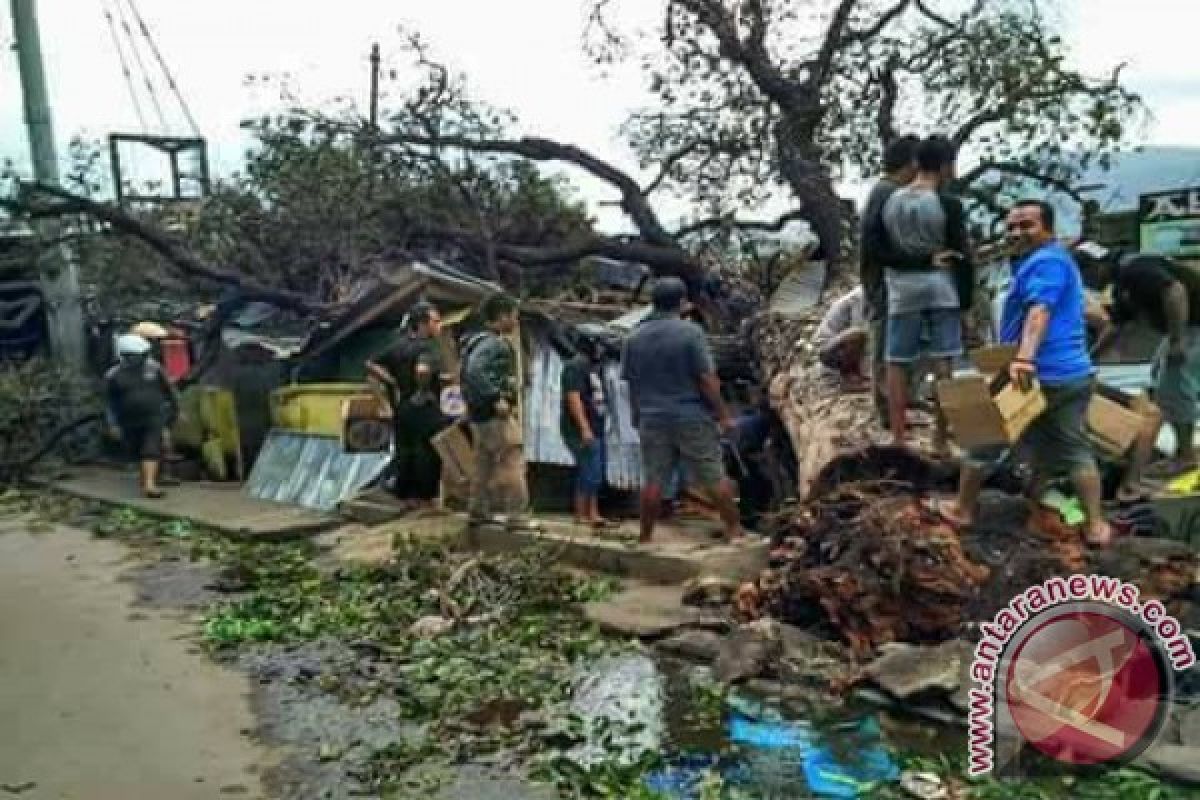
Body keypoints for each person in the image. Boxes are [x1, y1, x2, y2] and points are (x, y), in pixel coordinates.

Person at [941, 200, 1112, 546]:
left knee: (984, 439)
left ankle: (961, 509)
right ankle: (1095, 526)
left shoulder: (1045, 262)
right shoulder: (1058, 261)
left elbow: (1040, 311)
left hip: (1032, 373)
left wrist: (1024, 359)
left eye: (1027, 225)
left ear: (1048, 228)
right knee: (1069, 448)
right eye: (1012, 226)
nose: (1017, 232)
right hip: (1071, 374)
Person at [621, 276, 743, 544]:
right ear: (681, 302)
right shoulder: (691, 333)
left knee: (654, 479)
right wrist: (723, 414)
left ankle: (645, 537)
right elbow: (706, 379)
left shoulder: (633, 337)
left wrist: (635, 414)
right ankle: (735, 532)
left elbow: (631, 383)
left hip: (651, 417)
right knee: (712, 474)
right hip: (690, 414)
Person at [1074, 241, 1200, 492]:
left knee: (1173, 385)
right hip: (1186, 327)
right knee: (1158, 377)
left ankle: (1186, 456)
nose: (1088, 285)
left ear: (1098, 266)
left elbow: (1175, 291)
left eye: (1085, 276)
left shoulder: (1136, 268)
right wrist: (1088, 360)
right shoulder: (1123, 285)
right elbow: (1115, 326)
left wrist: (1176, 340)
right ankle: (1182, 447)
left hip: (1194, 326)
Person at [875, 135, 974, 453]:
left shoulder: (892, 201)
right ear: (946, 165)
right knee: (943, 360)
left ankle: (899, 437)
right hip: (941, 288)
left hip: (902, 291)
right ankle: (940, 437)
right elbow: (962, 256)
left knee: (897, 361)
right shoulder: (948, 204)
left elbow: (882, 253)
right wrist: (967, 302)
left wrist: (915, 260)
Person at [860, 134, 921, 424]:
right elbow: (877, 245)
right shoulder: (887, 193)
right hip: (886, 287)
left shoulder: (889, 193)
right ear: (912, 163)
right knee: (887, 350)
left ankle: (900, 403)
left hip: (894, 287)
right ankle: (888, 413)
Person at [366, 301, 448, 507]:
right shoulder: (426, 347)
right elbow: (422, 370)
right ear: (422, 324)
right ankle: (425, 498)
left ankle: (403, 495)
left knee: (404, 450)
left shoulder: (398, 345)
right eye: (436, 321)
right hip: (423, 406)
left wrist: (391, 381)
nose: (440, 326)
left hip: (402, 406)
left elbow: (370, 364)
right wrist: (423, 390)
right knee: (427, 451)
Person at [461, 293, 532, 527]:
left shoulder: (473, 342)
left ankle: (478, 511)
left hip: (478, 416)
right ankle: (517, 515)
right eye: (514, 316)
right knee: (513, 458)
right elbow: (474, 371)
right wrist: (495, 397)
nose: (516, 321)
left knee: (483, 463)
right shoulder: (493, 344)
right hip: (495, 415)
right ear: (502, 316)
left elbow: (468, 374)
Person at [104, 333, 180, 499]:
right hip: (129, 420)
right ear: (125, 356)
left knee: (150, 448)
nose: (142, 359)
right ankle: (151, 477)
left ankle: (149, 486)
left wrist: (176, 409)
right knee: (139, 450)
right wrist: (112, 424)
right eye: (137, 356)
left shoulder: (155, 368)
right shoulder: (113, 375)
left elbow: (170, 390)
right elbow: (109, 402)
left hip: (154, 416)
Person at [561, 334, 616, 530]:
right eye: (599, 346)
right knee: (590, 470)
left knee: (594, 470)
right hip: (581, 428)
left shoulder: (592, 368)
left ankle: (593, 513)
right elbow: (573, 398)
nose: (601, 350)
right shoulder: (575, 366)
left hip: (595, 425)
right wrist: (584, 428)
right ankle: (581, 514)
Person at [813, 286, 869, 389]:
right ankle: (849, 377)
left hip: (837, 343)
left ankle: (855, 374)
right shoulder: (860, 295)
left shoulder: (869, 293)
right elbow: (859, 327)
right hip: (826, 347)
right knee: (858, 333)